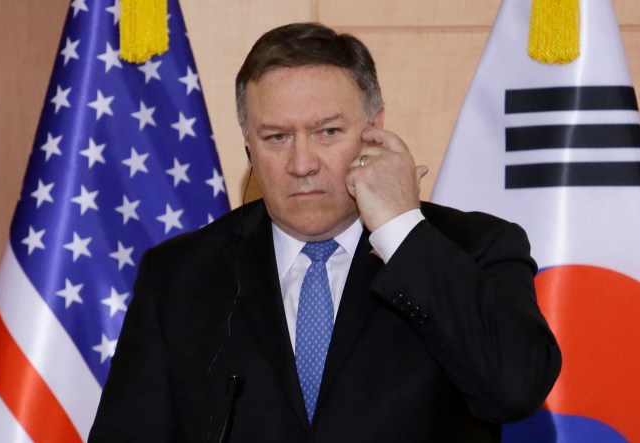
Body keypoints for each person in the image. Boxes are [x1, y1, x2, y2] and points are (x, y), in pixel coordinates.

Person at [89, 22, 561, 442]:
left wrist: (400, 231)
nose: (301, 164)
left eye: (327, 132)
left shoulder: (475, 247)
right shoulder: (180, 276)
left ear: (374, 131)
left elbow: (515, 389)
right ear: (249, 147)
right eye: (277, 137)